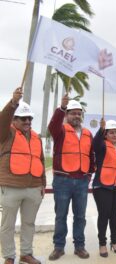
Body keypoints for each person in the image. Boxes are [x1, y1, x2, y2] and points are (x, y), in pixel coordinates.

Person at [0, 88, 45, 264]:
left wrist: (42, 184)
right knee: (7, 225)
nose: (27, 121)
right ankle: (9, 256)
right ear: (14, 119)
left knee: (29, 224)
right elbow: (2, 121)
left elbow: (40, 160)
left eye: (30, 118)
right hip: (10, 187)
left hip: (33, 188)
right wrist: (13, 104)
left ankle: (26, 253)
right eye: (23, 118)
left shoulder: (36, 137)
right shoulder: (6, 133)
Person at [48, 94, 94, 260]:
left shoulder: (88, 133)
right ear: (67, 115)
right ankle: (59, 247)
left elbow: (91, 155)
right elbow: (52, 125)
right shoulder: (60, 130)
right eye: (72, 113)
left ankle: (79, 246)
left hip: (82, 181)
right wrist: (61, 108)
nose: (76, 116)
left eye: (78, 113)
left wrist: (89, 174)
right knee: (61, 215)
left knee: (80, 216)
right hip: (63, 181)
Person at [92, 119, 116, 257]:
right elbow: (94, 144)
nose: (114, 135)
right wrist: (100, 130)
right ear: (106, 134)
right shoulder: (102, 145)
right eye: (111, 132)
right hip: (102, 186)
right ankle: (102, 244)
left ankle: (114, 243)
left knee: (115, 216)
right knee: (104, 216)